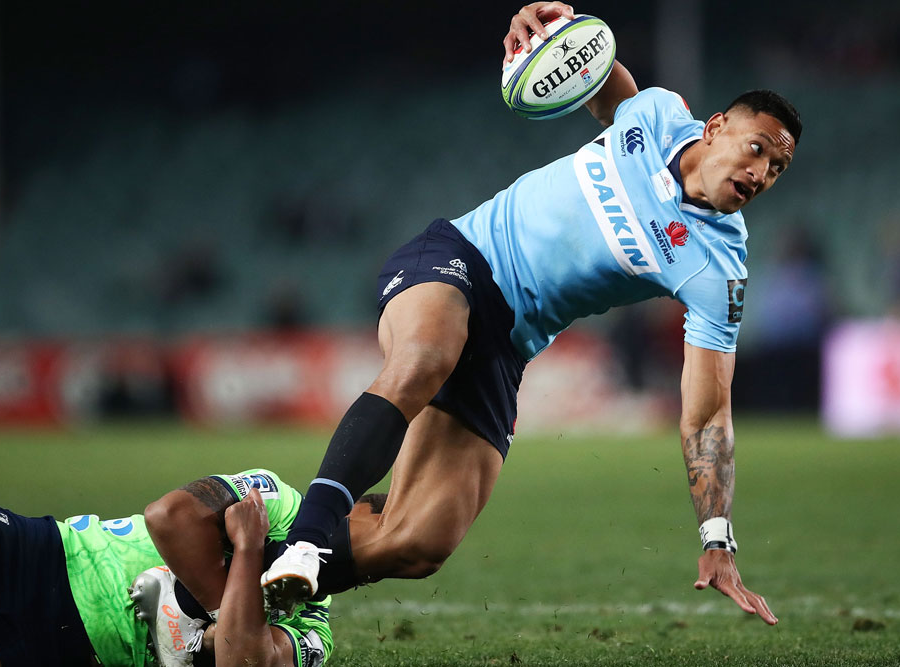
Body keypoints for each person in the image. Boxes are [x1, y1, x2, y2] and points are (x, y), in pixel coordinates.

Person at [261, 1, 799, 627]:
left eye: (777, 168)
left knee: (420, 541)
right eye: (756, 149)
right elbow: (600, 80)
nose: (761, 172)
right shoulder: (657, 113)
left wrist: (717, 537)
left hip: (507, 345)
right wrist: (546, 30)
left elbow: (707, 414)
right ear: (715, 128)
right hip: (463, 258)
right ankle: (307, 536)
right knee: (425, 359)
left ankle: (229, 580)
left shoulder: (717, 268)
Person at [0, 468, 365, 667]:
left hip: (64, 647)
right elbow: (169, 515)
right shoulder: (282, 504)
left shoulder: (315, 631)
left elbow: (245, 662)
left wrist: (247, 548)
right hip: (52, 552)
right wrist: (219, 624)